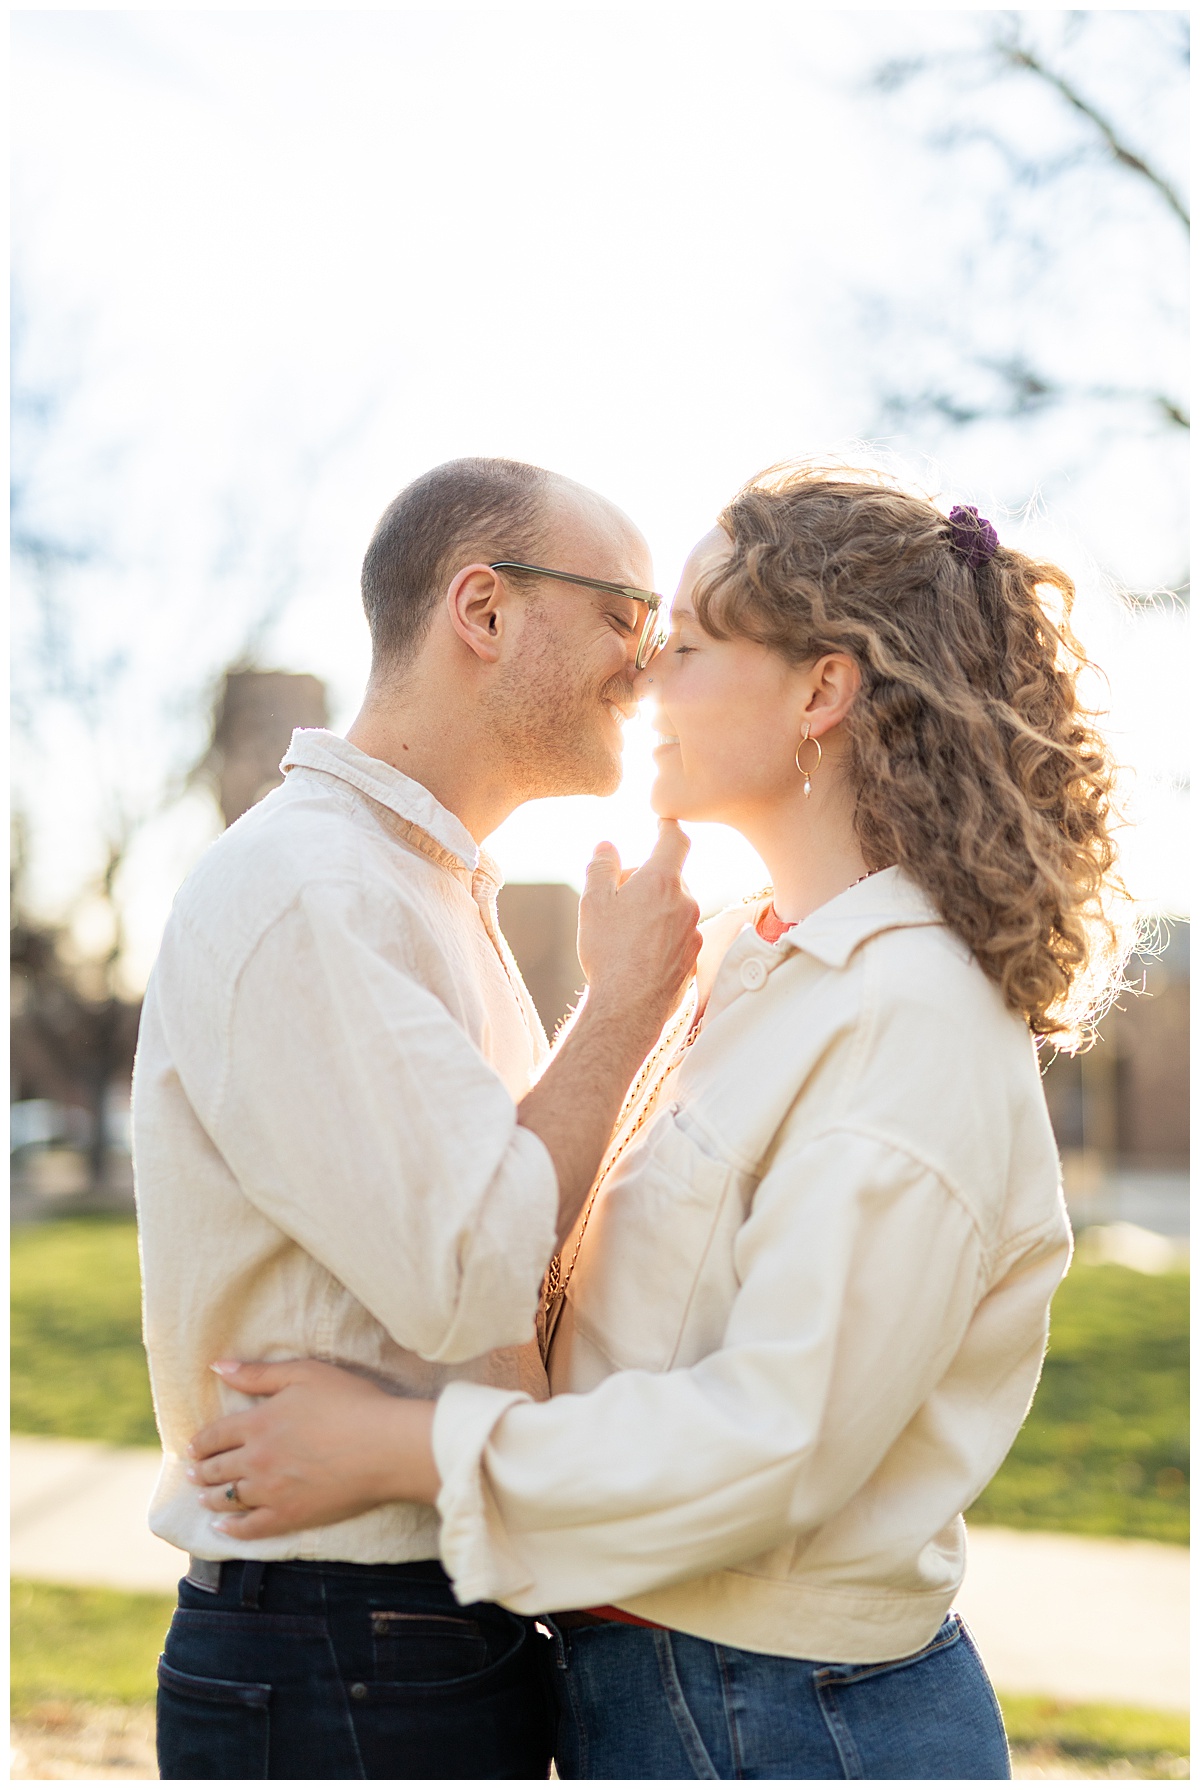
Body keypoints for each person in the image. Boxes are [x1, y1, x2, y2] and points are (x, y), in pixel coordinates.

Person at [187, 463, 1132, 1780]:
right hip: (673, 1693)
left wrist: (406, 1444)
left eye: (681, 642)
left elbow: (774, 1438)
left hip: (796, 1716)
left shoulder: (912, 1014)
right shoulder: (745, 966)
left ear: (821, 691)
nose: (645, 680)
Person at [133, 455, 701, 1780]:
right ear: (486, 611)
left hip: (397, 1631)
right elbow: (467, 1276)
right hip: (347, 1644)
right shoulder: (314, 889)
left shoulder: (415, 883)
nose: (655, 658)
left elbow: (494, 1206)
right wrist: (622, 1008)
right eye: (629, 611)